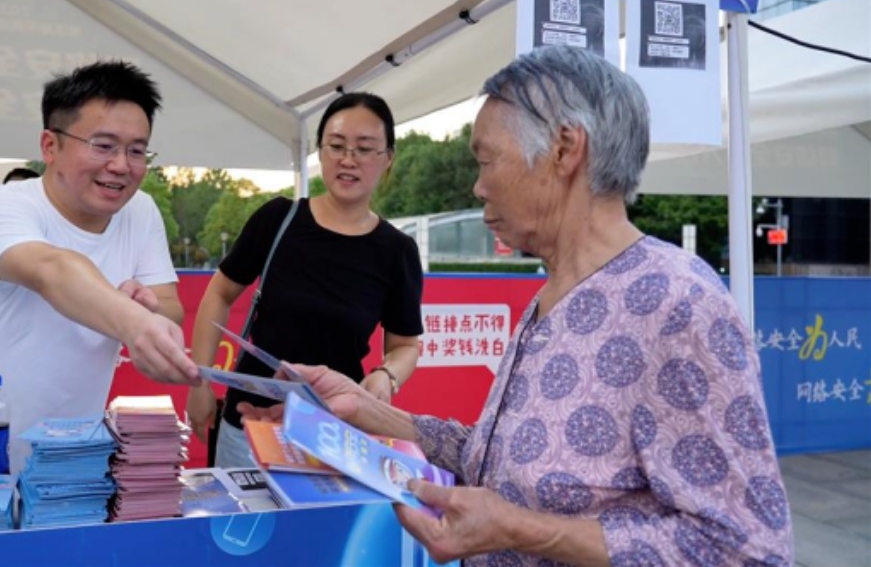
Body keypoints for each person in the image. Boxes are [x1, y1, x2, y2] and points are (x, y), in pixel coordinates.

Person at [240, 46, 794, 566]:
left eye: (487, 160)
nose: (478, 188)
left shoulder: (677, 302)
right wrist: (368, 411)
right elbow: (496, 457)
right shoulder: (552, 296)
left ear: (564, 149)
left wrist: (523, 530)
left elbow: (748, 547)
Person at [0, 61, 199, 472]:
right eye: (103, 145)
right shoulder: (3, 207)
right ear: (50, 146)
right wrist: (134, 322)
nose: (121, 165)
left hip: (67, 452)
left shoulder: (140, 211)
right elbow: (53, 271)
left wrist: (148, 310)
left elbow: (168, 305)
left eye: (137, 151)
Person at [187, 92, 424, 468]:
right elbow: (219, 293)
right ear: (320, 151)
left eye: (364, 149)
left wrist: (386, 376)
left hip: (334, 431)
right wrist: (199, 383)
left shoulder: (397, 250)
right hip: (249, 425)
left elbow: (405, 344)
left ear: (388, 158)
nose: (348, 159)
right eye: (337, 146)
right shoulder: (278, 219)